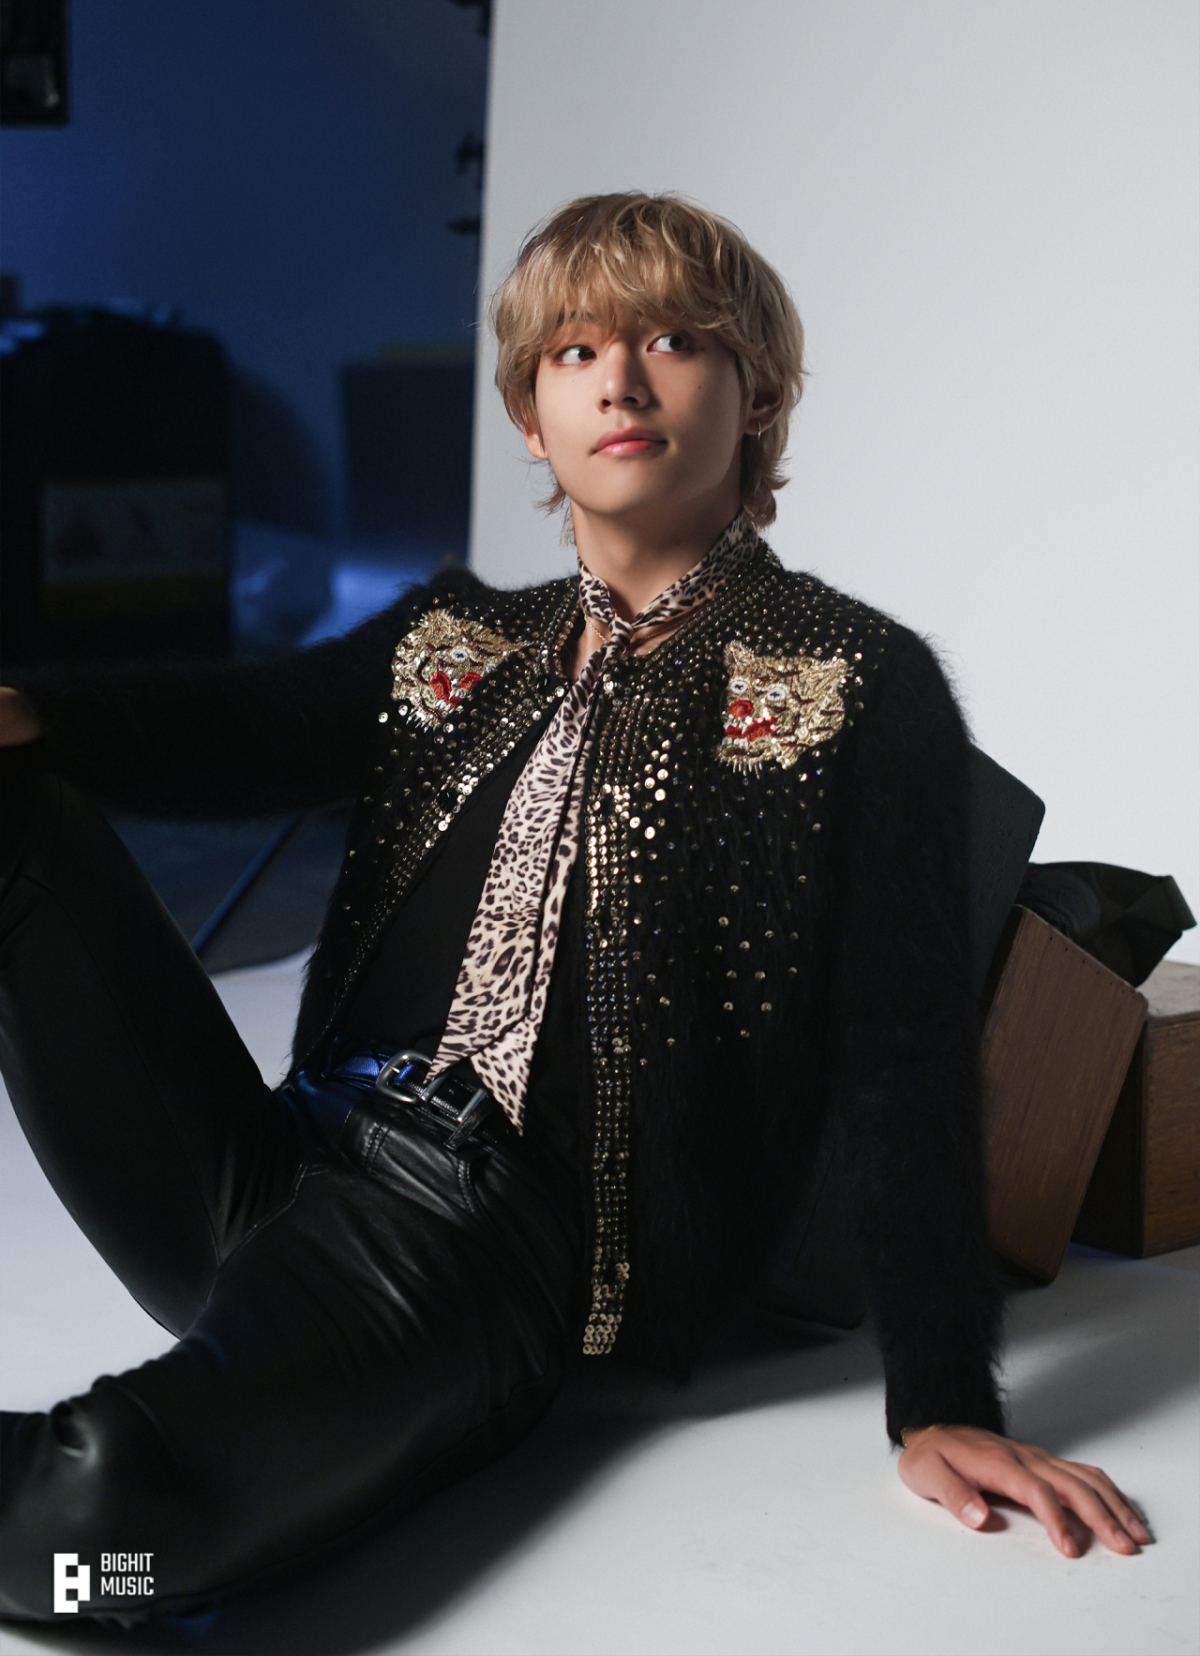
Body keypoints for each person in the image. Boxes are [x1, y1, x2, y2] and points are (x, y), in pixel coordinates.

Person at [0, 193, 1148, 1625]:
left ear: (760, 397)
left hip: (471, 1242)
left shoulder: (846, 682)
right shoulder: (456, 634)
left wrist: (939, 1400)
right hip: (261, 1163)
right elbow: (234, 730)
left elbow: (905, 1047)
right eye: (575, 352)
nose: (620, 381)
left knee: (102, 1531)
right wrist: (35, 710)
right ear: (531, 418)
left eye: (673, 341)